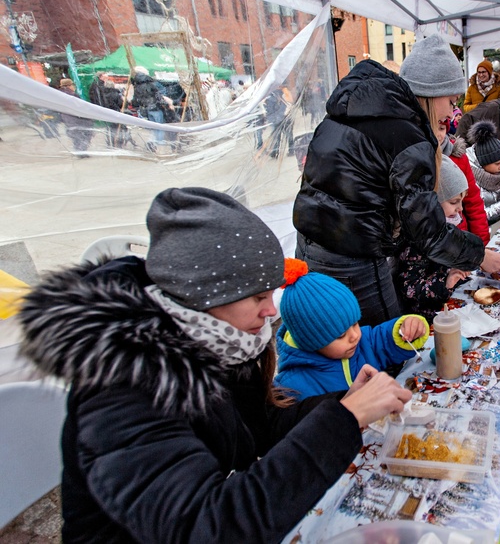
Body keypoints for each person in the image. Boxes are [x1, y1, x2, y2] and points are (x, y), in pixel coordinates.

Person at [15, 187, 412, 542]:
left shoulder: (216, 338)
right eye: (257, 297)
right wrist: (340, 425)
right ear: (202, 296)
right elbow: (206, 526)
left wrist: (344, 405)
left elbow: (259, 425)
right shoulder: (123, 386)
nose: (271, 310)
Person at [293, 34, 500, 326]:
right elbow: (428, 231)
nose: (450, 112)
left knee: (334, 336)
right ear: (431, 93)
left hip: (311, 247)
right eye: (450, 100)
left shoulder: (355, 113)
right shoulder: (408, 136)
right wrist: (479, 255)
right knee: (387, 341)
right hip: (352, 256)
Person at [274, 258, 428, 398]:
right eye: (341, 335)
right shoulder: (293, 387)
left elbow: (381, 339)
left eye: (355, 323)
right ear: (311, 342)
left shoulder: (359, 344)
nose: (355, 335)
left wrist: (405, 328)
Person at [397, 156, 474, 320]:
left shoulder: (444, 226)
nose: (460, 209)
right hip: (430, 319)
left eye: (461, 201)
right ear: (433, 202)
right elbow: (410, 291)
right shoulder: (416, 240)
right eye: (454, 202)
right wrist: (447, 282)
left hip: (451, 306)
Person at [439, 119, 490, 244]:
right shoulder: (416, 161)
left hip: (461, 238)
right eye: (434, 128)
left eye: (442, 128)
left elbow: (473, 202)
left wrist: (482, 244)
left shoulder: (458, 157)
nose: (439, 134)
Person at [131, 66, 178, 152]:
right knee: (159, 128)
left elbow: (136, 100)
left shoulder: (137, 86)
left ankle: (152, 143)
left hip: (146, 109)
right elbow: (158, 97)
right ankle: (160, 146)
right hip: (156, 109)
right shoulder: (150, 84)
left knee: (153, 128)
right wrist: (167, 105)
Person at [57, 78, 93, 154]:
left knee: (76, 136)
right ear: (69, 86)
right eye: (73, 85)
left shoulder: (60, 95)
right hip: (76, 118)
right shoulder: (72, 95)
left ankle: (78, 150)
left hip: (67, 118)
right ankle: (81, 152)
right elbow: (79, 107)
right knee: (82, 135)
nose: (74, 87)